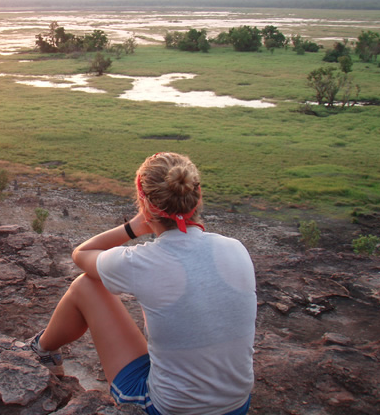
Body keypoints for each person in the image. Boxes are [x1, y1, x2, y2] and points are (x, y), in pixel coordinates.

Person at [29, 152, 256, 415]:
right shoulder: (236, 249)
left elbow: (81, 254)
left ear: (144, 202)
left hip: (166, 409)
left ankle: (43, 351)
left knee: (87, 285)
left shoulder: (144, 261)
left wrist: (134, 227)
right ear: (197, 196)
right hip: (237, 405)